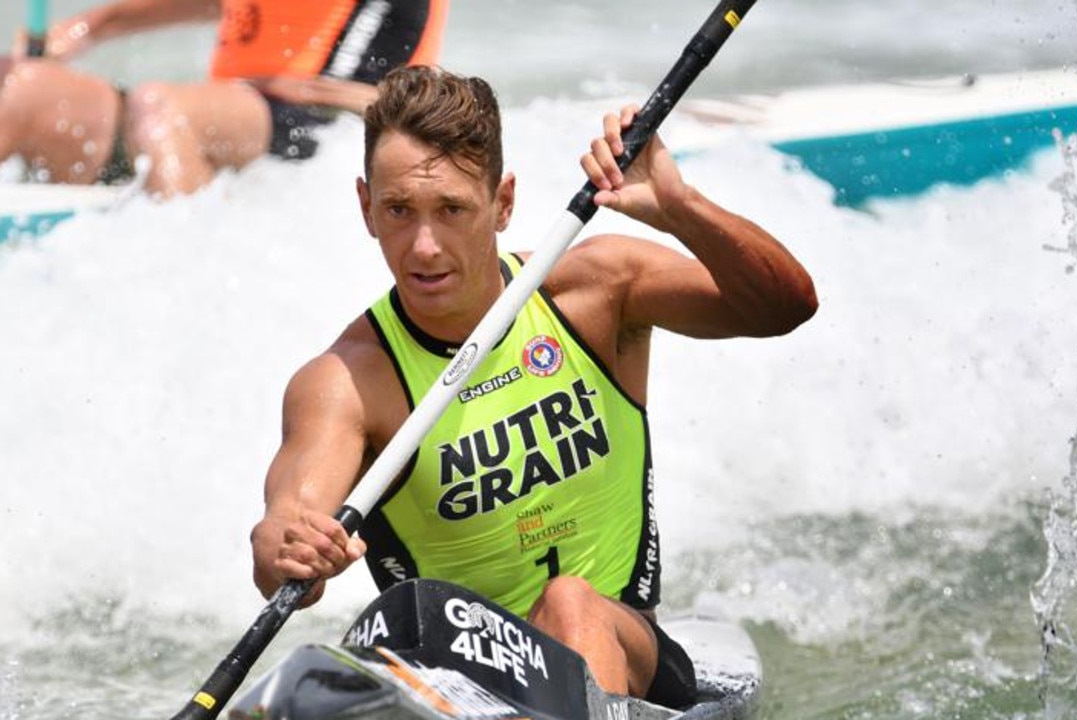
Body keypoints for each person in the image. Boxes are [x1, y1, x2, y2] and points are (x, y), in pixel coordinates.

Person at [249, 65, 818, 708]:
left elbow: (783, 307)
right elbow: (284, 533)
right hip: (460, 687)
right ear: (366, 208)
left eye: (453, 210)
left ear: (504, 204)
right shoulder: (348, 381)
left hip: (623, 652)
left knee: (569, 602)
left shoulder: (592, 295)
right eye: (399, 211)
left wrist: (681, 210)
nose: (424, 246)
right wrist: (287, 545)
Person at [0, 0, 448, 197]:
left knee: (161, 109)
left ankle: (189, 293)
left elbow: (392, 104)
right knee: (18, 86)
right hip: (216, 125)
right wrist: (83, 30)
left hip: (329, 133)